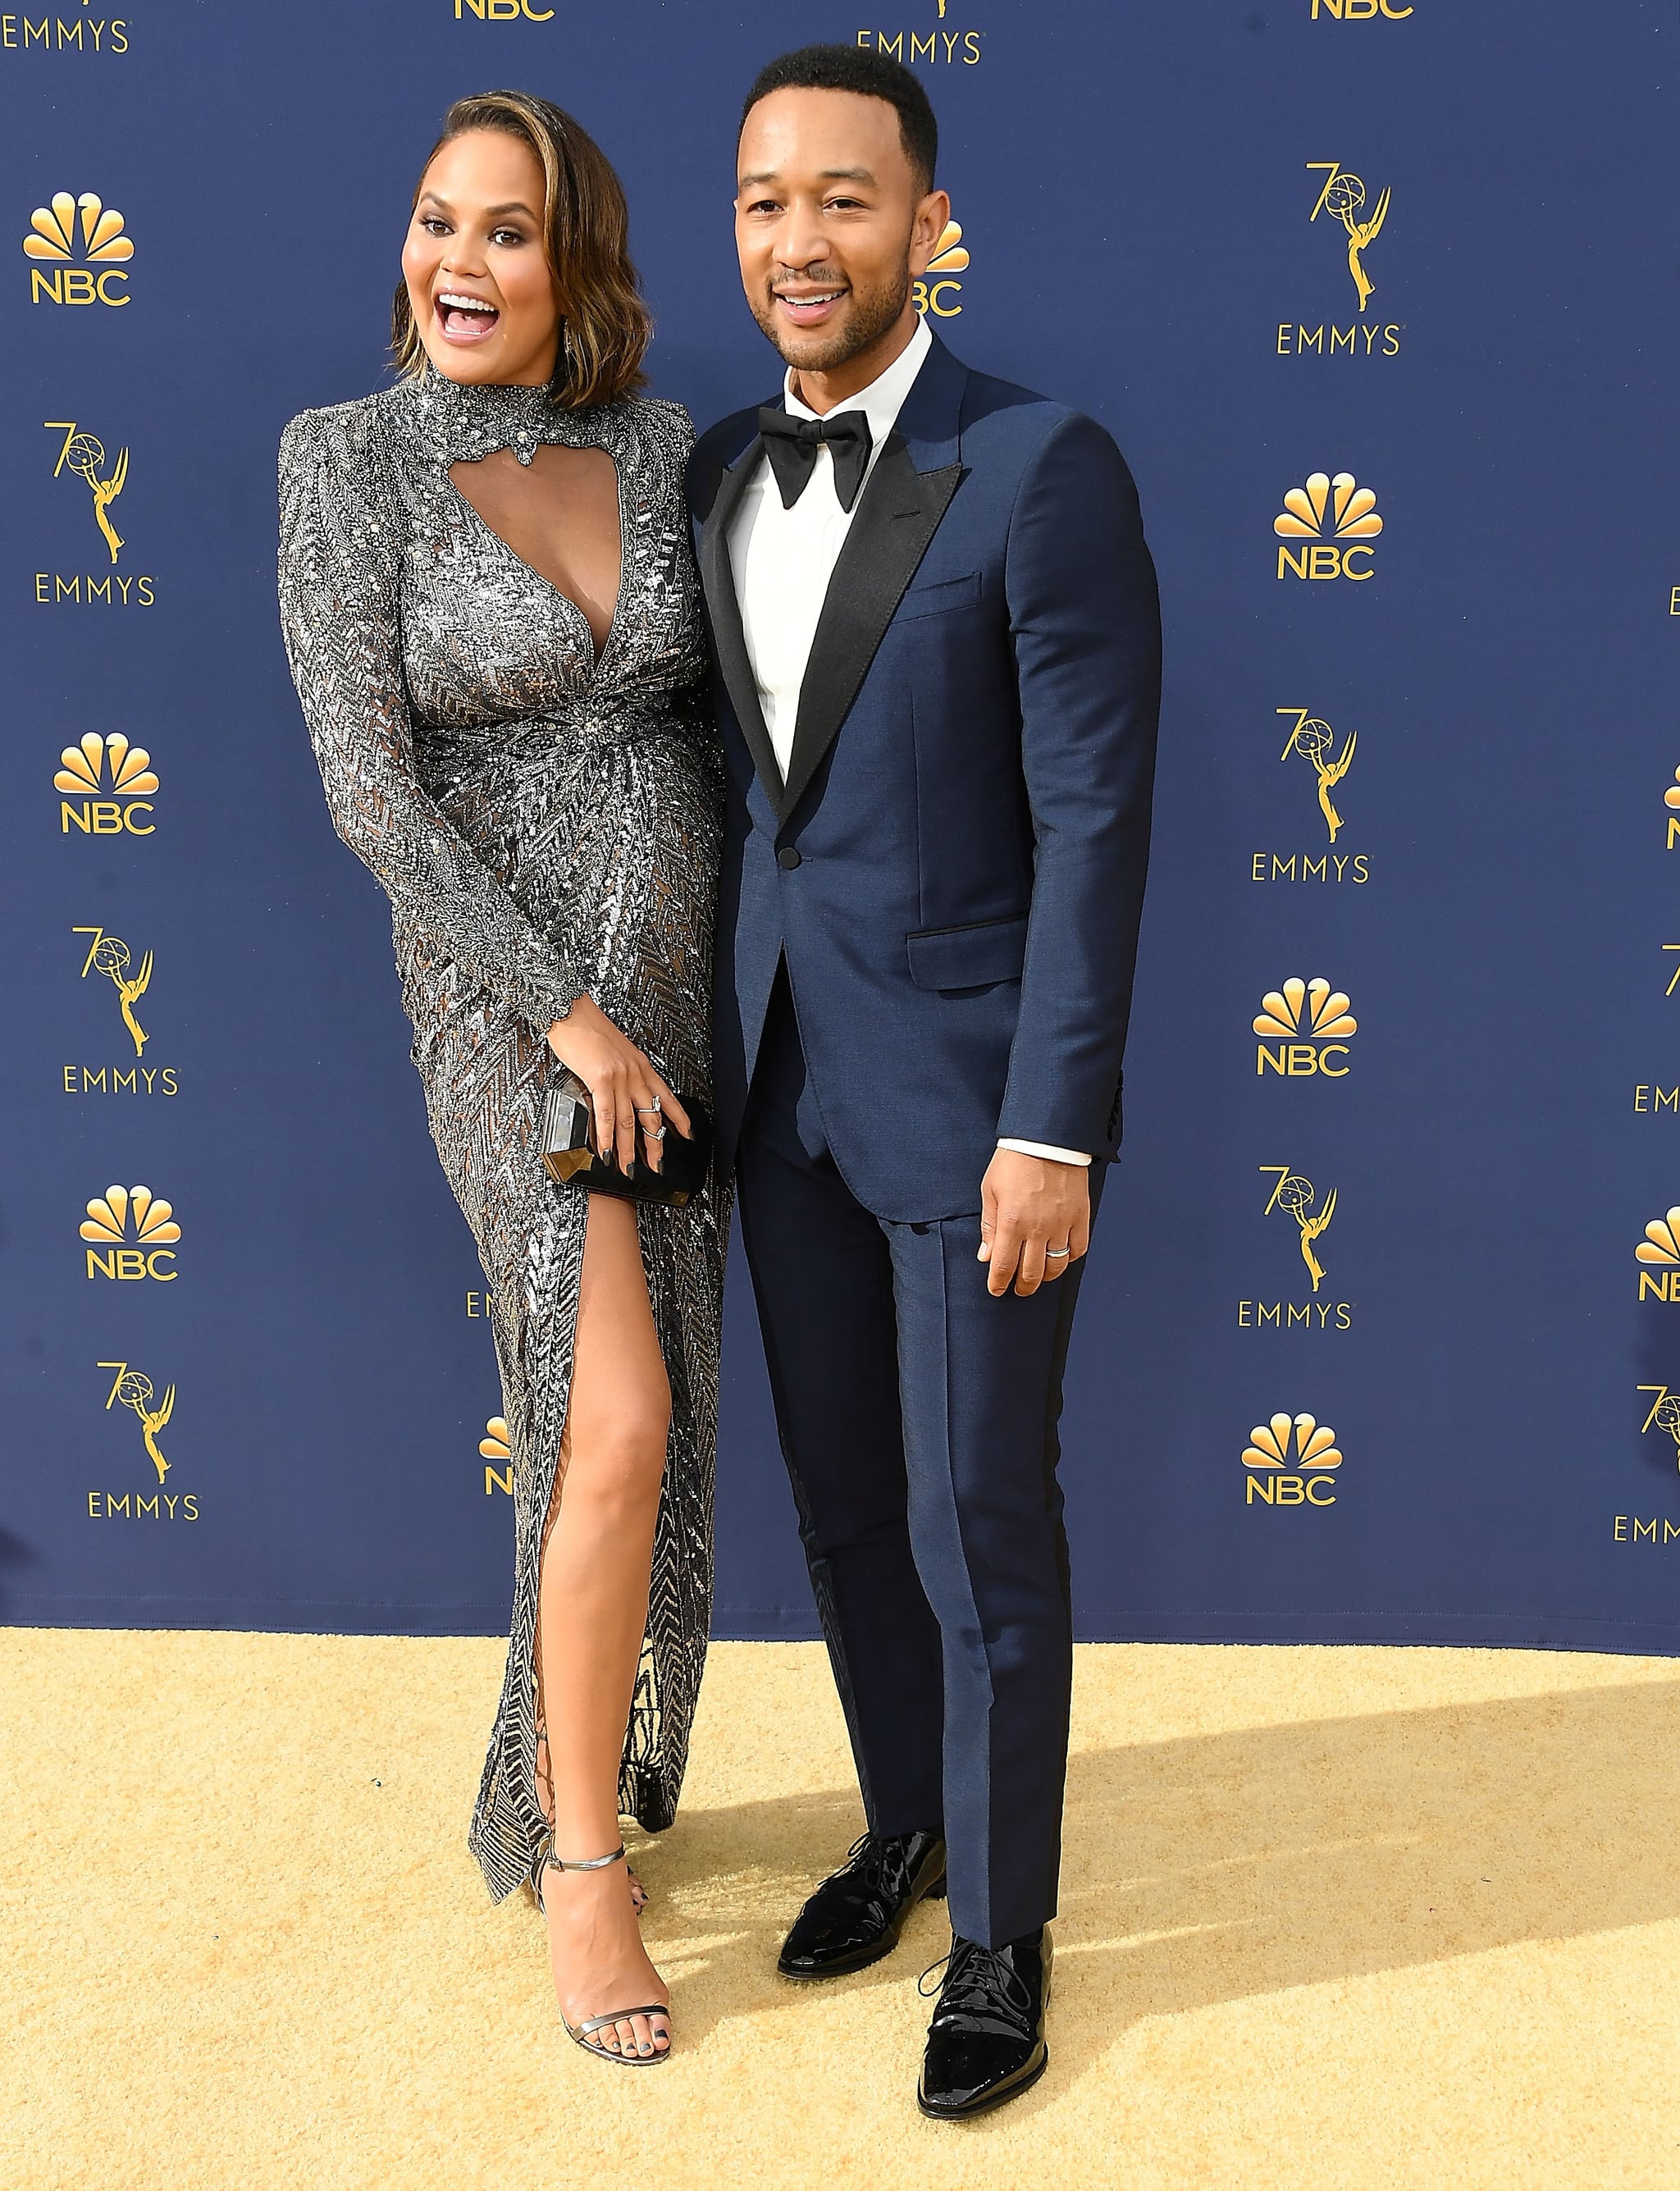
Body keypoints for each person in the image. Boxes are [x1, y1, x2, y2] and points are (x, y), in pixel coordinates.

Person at [689, 45, 1160, 2117]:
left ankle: (1001, 1934)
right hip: (778, 1088)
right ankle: (906, 1824)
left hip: (974, 1104)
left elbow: (1096, 820)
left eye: (844, 200)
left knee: (980, 1522)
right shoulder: (712, 469)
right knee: (847, 1513)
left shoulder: (1038, 461)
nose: (801, 240)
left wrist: (1051, 1122)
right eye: (766, 200)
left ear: (924, 222)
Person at [278, 89, 724, 2067]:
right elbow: (368, 785)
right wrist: (568, 1012)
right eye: (435, 221)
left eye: (509, 231)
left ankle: (553, 1771)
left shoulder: (660, 443)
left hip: (683, 983)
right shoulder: (342, 462)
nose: (459, 262)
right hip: (510, 1004)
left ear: (578, 266)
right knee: (608, 1407)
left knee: (638, 1415)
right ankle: (578, 1867)